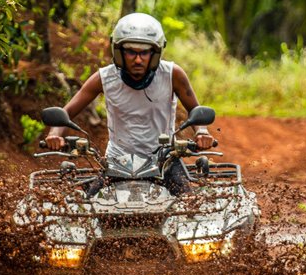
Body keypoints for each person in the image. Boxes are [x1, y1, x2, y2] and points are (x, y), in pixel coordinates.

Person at [44, 12, 214, 194]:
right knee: (88, 209)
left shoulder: (173, 75)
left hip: (165, 161)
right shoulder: (104, 78)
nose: (138, 59)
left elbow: (196, 111)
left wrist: (202, 132)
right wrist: (55, 134)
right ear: (119, 52)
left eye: (144, 52)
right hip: (118, 162)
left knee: (189, 207)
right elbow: (66, 113)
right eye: (131, 52)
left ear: (155, 53)